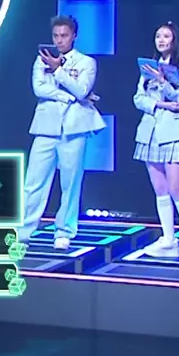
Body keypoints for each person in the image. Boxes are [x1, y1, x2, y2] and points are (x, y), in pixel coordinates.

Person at [18, 15, 106, 248]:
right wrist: (67, 96)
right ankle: (23, 230)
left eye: (64, 36)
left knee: (70, 181)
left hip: (75, 127)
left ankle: (64, 231)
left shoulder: (86, 62)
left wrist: (58, 71)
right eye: (56, 36)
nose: (59, 40)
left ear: (74, 36)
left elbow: (82, 89)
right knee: (33, 181)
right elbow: (39, 88)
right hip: (45, 126)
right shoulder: (41, 60)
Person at [133, 22, 179, 262]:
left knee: (176, 188)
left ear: (175, 40)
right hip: (150, 130)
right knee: (160, 189)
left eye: (166, 36)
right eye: (158, 36)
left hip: (174, 130)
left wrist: (163, 82)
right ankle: (168, 240)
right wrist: (159, 103)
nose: (161, 40)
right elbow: (138, 98)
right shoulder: (148, 66)